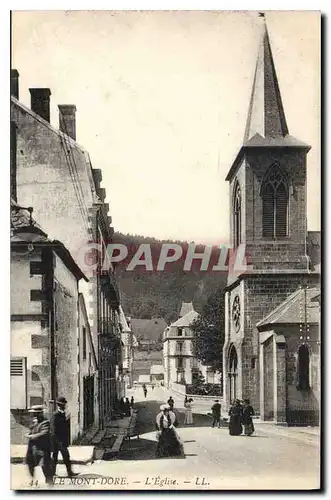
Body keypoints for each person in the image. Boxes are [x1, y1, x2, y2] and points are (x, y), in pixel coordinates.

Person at [25, 405, 53, 486]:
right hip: (32, 448)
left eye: (36, 413)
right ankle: (32, 480)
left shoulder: (45, 422)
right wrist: (30, 433)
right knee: (30, 464)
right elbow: (32, 430)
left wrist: (31, 436)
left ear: (40, 414)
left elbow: (44, 433)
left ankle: (50, 483)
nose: (34, 415)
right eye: (33, 413)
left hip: (42, 449)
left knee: (45, 466)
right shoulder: (34, 422)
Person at [51, 397, 77, 477]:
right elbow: (54, 429)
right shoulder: (56, 415)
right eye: (64, 404)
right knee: (64, 456)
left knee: (55, 457)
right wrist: (59, 441)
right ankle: (68, 473)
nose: (65, 405)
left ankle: (53, 473)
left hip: (61, 440)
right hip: (58, 440)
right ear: (60, 405)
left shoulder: (62, 413)